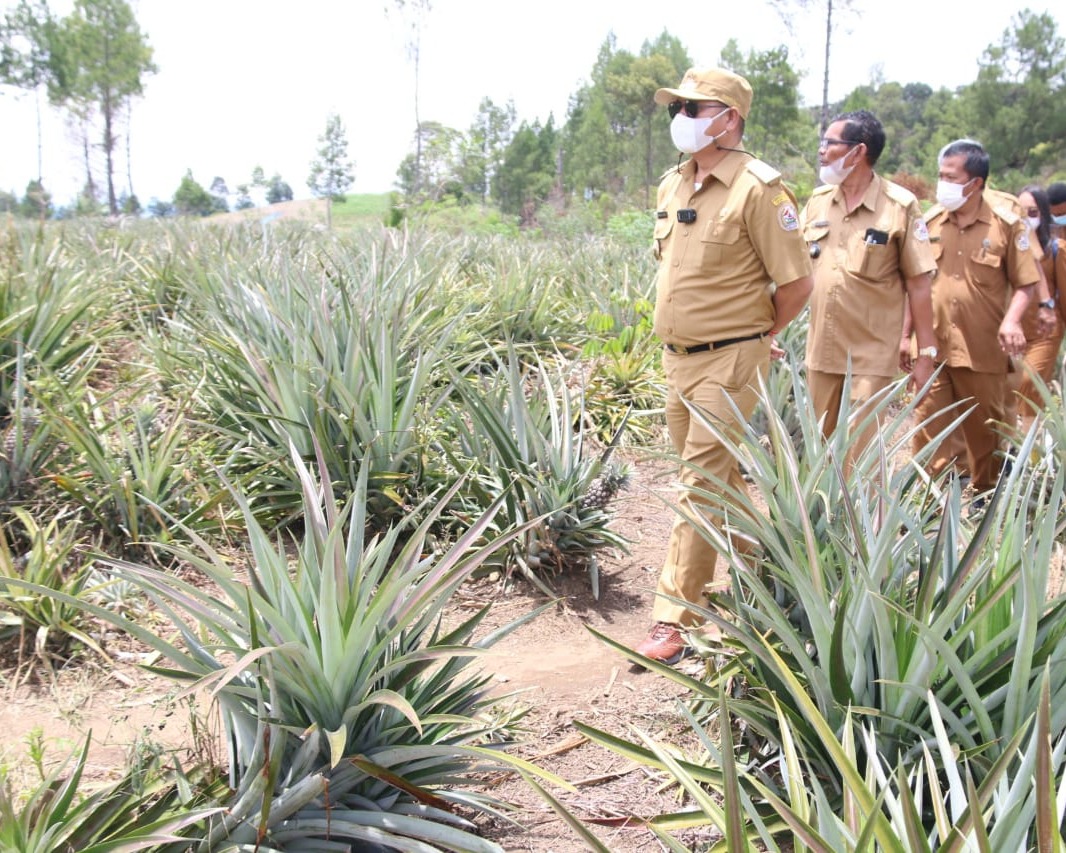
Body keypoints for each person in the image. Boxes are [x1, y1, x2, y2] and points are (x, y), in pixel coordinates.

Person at [636, 67, 813, 664]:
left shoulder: (760, 191)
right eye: (677, 108)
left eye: (694, 107)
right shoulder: (673, 185)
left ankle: (672, 617)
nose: (681, 118)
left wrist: (760, 335)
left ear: (728, 119)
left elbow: (796, 283)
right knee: (719, 483)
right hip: (678, 360)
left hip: (732, 361)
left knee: (696, 484)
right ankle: (770, 570)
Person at [801, 109, 937, 460]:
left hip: (869, 356)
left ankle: (857, 518)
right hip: (821, 352)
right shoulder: (818, 202)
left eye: (829, 142)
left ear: (857, 151)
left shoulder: (898, 206)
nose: (821, 150)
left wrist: (926, 353)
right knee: (817, 455)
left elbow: (919, 284)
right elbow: (795, 272)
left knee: (857, 459)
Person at [911, 139, 1040, 498]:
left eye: (950, 177)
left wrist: (1012, 321)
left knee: (987, 431)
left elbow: (1026, 284)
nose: (943, 184)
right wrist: (906, 336)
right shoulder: (930, 222)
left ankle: (986, 496)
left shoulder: (1005, 226)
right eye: (940, 175)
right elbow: (915, 282)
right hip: (932, 348)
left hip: (981, 348)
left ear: (976, 183)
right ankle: (927, 506)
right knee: (927, 427)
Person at [1011, 185, 1066, 434]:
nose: (1026, 218)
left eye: (1031, 212)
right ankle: (1020, 448)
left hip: (1045, 334)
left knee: (1029, 381)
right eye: (1020, 212)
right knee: (1011, 388)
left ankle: (1029, 449)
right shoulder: (1009, 250)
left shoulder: (1056, 250)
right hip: (1014, 334)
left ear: (1043, 214)